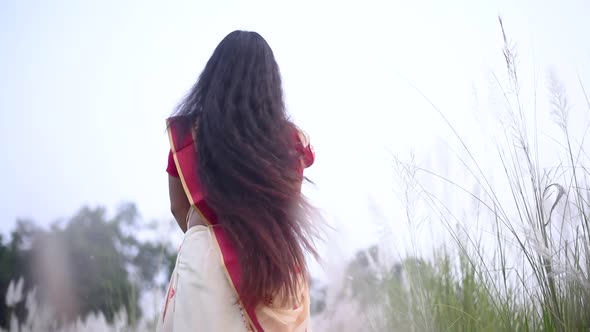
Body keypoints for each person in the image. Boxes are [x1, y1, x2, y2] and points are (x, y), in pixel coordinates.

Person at [157, 31, 318, 332]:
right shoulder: (290, 141)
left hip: (206, 268)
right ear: (272, 84)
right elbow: (288, 210)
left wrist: (212, 240)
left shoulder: (187, 135)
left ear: (214, 76)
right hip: (272, 267)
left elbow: (179, 208)